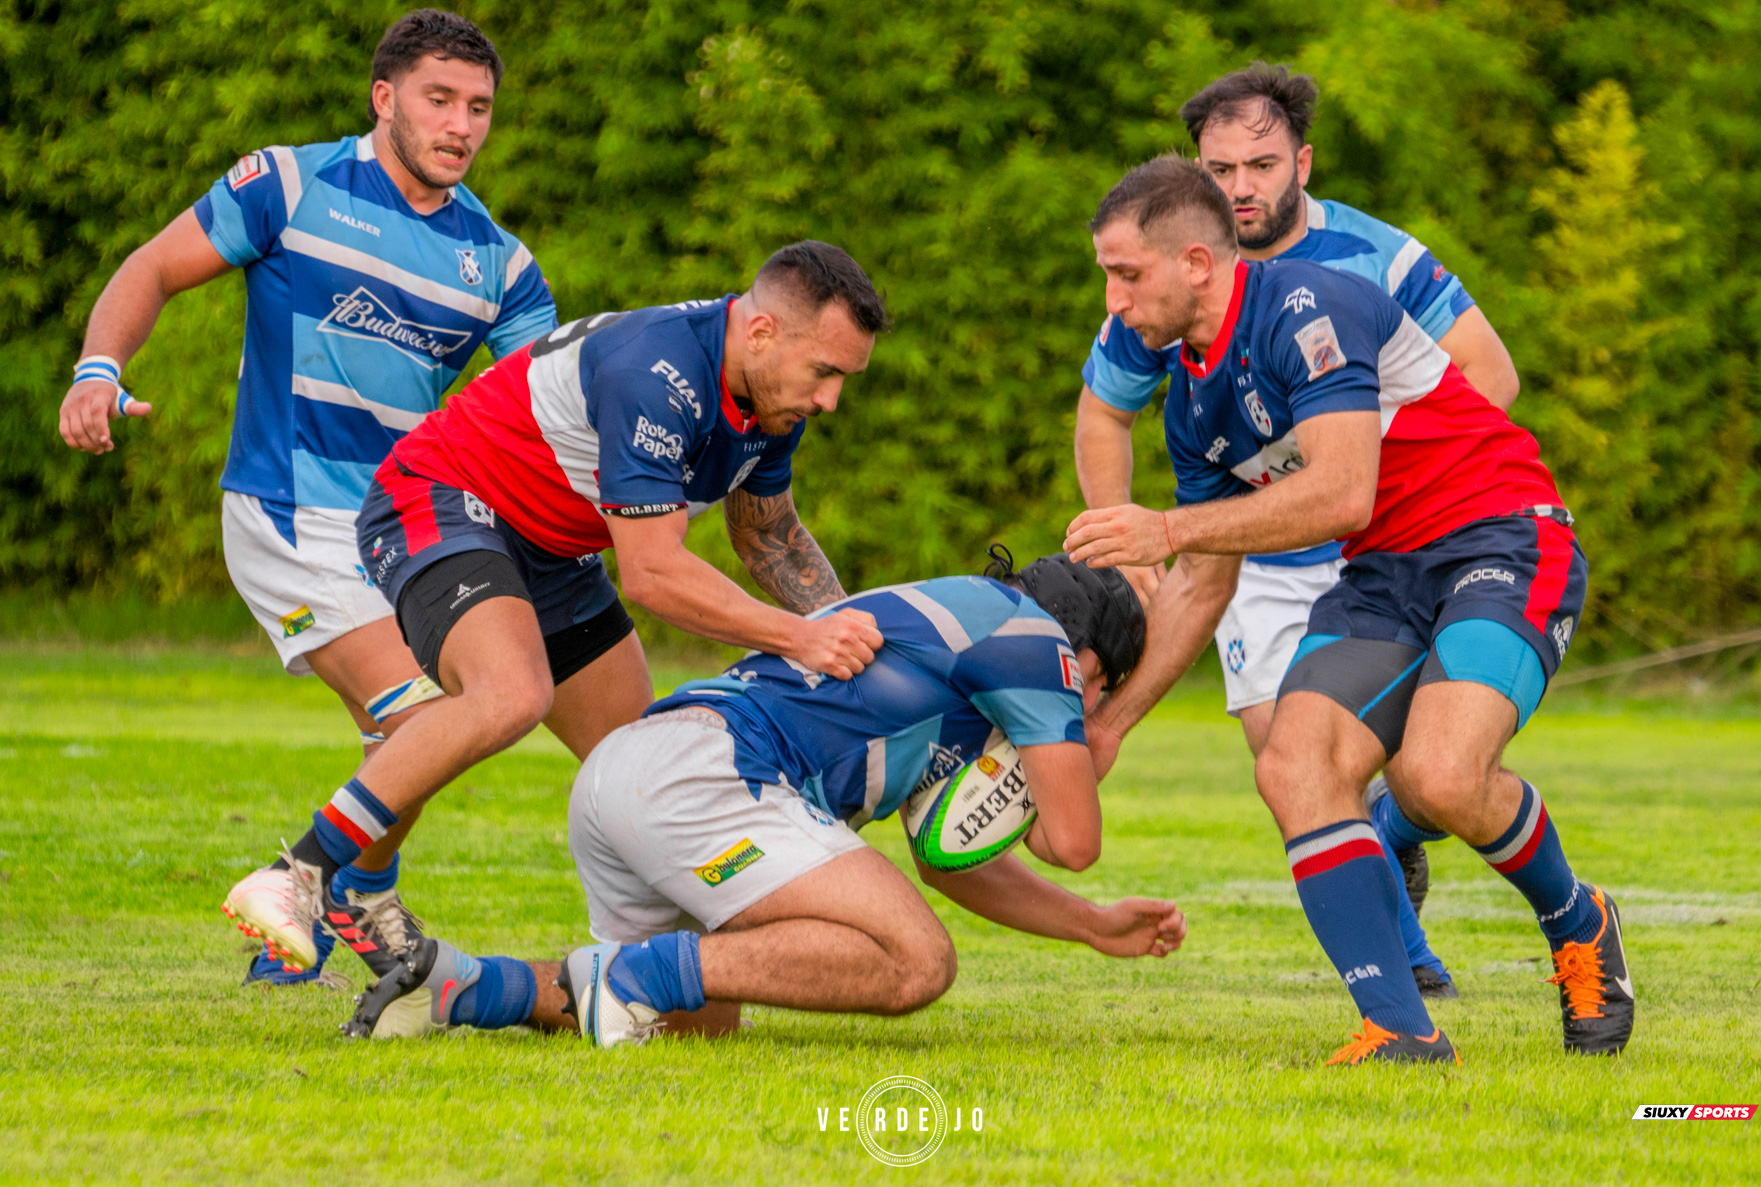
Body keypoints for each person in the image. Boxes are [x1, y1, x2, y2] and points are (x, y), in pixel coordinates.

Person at [1064, 156, 1633, 1063]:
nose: (1113, 299)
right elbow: (1204, 581)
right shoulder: (1195, 405)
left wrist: (1164, 526)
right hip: (1383, 575)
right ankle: (1402, 1029)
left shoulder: (1307, 307)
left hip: (1501, 537)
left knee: (1439, 777)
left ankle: (1579, 919)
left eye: (1126, 274)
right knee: (1293, 764)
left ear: (1197, 264)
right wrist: (1112, 724)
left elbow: (1342, 492)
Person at [222, 241, 894, 989]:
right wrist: (804, 638)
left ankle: (645, 977)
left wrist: (871, 641)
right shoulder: (656, 372)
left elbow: (769, 534)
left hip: (549, 549)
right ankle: (299, 876)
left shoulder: (770, 400)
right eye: (825, 372)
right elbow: (652, 573)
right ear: (762, 331)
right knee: (511, 693)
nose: (830, 400)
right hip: (442, 497)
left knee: (652, 771)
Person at [58, 10, 559, 984]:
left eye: (479, 107)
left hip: (400, 529)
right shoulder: (289, 185)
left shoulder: (499, 263)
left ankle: (314, 916)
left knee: (419, 733)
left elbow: (543, 411)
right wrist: (97, 368)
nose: (461, 124)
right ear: (384, 98)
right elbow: (153, 267)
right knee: (425, 720)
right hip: (287, 512)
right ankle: (321, 889)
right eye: (439, 99)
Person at [339, 551, 1185, 1046]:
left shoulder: (962, 646)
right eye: (1099, 690)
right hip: (709, 774)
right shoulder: (1034, 639)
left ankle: (461, 986)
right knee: (917, 959)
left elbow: (949, 860)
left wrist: (1089, 924)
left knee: (696, 1024)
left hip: (637, 773)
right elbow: (1071, 838)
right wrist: (1100, 732)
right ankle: (625, 971)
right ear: (1090, 665)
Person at [1074, 64, 1522, 993]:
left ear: (1303, 163)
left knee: (1426, 767)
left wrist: (1382, 481)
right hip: (1255, 554)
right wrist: (1130, 548)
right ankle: (1408, 970)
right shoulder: (1163, 280)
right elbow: (1103, 411)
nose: (1240, 187)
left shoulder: (1375, 256)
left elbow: (1490, 375)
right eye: (1219, 169)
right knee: (1288, 760)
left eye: (1262, 165)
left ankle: (1397, 836)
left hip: (1389, 541)